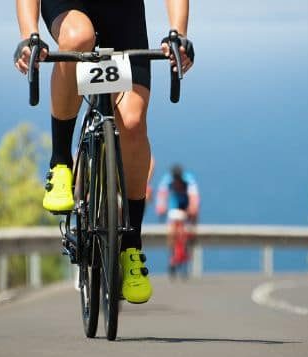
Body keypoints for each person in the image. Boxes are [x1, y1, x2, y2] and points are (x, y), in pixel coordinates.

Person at [14, 0, 194, 304]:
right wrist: (29, 35)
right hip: (67, 9)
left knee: (133, 123)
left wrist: (178, 32)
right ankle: (60, 163)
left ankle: (131, 244)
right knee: (78, 38)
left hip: (124, 18)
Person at [155, 164, 200, 277]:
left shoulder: (189, 179)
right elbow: (162, 194)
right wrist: (161, 208)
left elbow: (194, 197)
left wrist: (193, 209)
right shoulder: (167, 180)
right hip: (175, 204)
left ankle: (190, 241)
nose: (177, 182)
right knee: (172, 230)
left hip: (186, 203)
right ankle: (173, 253)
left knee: (192, 223)